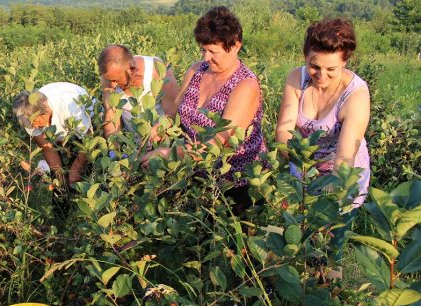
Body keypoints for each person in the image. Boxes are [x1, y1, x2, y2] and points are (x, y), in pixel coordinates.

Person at [141, 6, 266, 214]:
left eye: (213, 51)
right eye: (203, 49)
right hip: (197, 173)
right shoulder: (196, 70)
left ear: (235, 46)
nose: (206, 57)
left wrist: (168, 153)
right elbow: (173, 114)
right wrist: (157, 130)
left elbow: (217, 144)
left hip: (236, 183)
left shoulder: (245, 85)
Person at [275, 18, 370, 208]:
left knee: (332, 233)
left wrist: (329, 206)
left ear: (345, 61)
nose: (321, 75)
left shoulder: (355, 95)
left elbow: (344, 158)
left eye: (331, 69)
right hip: (303, 171)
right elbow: (283, 131)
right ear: (305, 57)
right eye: (315, 66)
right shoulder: (297, 78)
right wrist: (302, 168)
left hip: (341, 179)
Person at [13, 82, 93, 186]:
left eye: (37, 123)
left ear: (44, 110)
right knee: (62, 177)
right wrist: (60, 181)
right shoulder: (28, 118)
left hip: (86, 118)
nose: (35, 127)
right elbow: (48, 149)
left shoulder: (69, 106)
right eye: (31, 125)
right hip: (62, 125)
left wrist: (76, 170)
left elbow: (89, 139)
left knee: (81, 160)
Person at [98, 44, 180, 138]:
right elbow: (111, 116)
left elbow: (171, 115)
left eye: (116, 80)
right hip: (131, 142)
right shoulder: (109, 76)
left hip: (159, 138)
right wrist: (114, 149)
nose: (112, 85)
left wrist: (151, 140)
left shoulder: (158, 71)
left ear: (132, 69)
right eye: (109, 80)